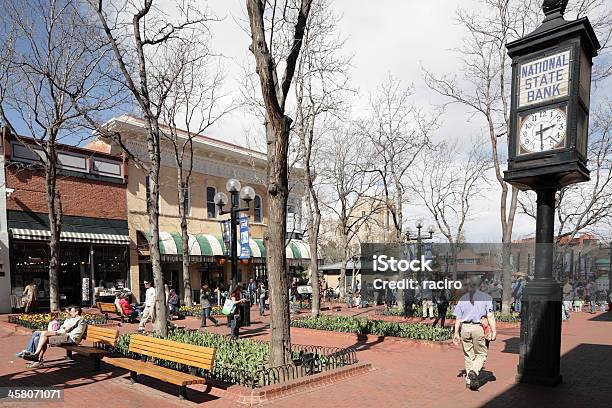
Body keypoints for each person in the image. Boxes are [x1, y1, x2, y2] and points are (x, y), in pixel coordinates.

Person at [453, 276, 496, 391]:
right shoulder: (486, 298)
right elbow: (490, 316)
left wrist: (456, 333)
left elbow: (458, 318)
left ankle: (469, 381)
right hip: (478, 328)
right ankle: (474, 371)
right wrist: (494, 330)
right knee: (481, 354)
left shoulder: (463, 298)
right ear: (480, 285)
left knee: (468, 355)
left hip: (465, 328)